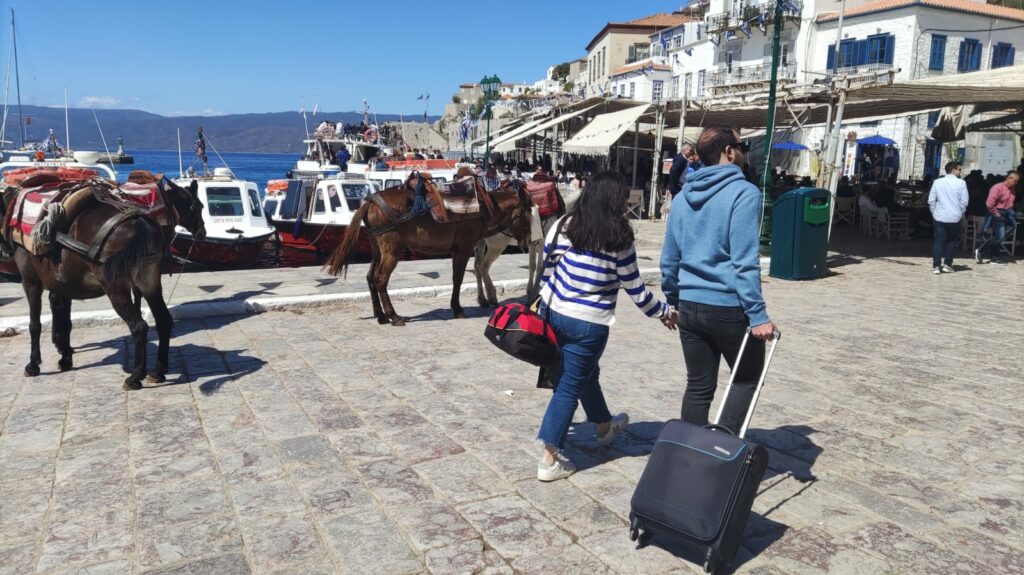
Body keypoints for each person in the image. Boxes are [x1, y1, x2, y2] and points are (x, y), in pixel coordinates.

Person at [535, 172, 677, 482]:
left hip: (554, 311)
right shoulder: (619, 237)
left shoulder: (564, 224)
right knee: (568, 386)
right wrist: (663, 312)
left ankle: (603, 427)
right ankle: (549, 458)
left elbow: (546, 268)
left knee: (585, 372)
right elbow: (635, 288)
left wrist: (543, 305)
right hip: (589, 323)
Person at [660, 126, 777, 435]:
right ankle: (719, 451)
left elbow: (669, 259)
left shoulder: (682, 198)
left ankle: (689, 451)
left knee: (698, 385)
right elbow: (744, 261)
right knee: (745, 379)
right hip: (727, 306)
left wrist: (673, 299)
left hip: (690, 304)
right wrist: (758, 315)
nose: (744, 152)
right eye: (742, 146)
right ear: (728, 152)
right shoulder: (744, 193)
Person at [927, 161, 968, 274]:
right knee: (952, 240)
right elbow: (964, 201)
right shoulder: (961, 183)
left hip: (940, 216)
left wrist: (934, 213)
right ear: (953, 170)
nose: (960, 171)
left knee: (938, 241)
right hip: (954, 217)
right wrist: (960, 212)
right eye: (959, 169)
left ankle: (936, 265)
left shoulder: (937, 182)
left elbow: (931, 200)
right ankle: (947, 264)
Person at [976, 171, 1020, 265]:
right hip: (998, 212)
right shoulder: (998, 187)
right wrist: (996, 214)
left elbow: (1010, 202)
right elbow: (989, 203)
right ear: (1009, 178)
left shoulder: (1012, 189)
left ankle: (994, 257)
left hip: (1008, 213)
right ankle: (982, 251)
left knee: (999, 235)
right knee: (1000, 236)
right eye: (1015, 181)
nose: (1016, 183)